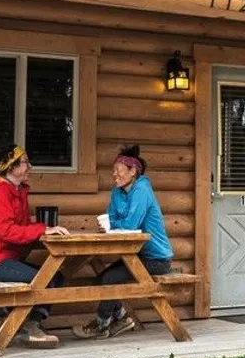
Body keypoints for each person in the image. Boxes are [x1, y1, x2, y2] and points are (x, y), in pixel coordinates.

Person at [0, 143, 69, 348]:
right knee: (43, 280)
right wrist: (43, 230)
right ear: (11, 167)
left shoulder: (18, 191)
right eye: (25, 162)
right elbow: (7, 231)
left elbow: (21, 227)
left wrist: (45, 229)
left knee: (55, 277)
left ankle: (31, 324)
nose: (29, 166)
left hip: (6, 260)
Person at [72, 144, 174, 339]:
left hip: (157, 259)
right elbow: (111, 219)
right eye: (113, 170)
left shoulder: (142, 189)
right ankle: (122, 318)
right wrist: (108, 226)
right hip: (138, 254)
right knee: (104, 278)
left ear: (133, 171)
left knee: (111, 279)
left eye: (118, 170)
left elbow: (130, 224)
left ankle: (102, 326)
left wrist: (113, 224)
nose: (114, 174)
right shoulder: (117, 193)